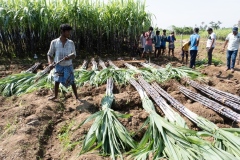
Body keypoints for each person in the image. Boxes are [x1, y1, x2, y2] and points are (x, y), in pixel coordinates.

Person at [47, 24, 81, 102]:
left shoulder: (71, 43)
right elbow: (49, 54)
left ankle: (77, 97)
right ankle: (55, 96)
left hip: (68, 66)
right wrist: (50, 64)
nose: (69, 33)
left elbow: (74, 55)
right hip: (58, 65)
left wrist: (69, 57)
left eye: (69, 31)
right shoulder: (54, 42)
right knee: (57, 81)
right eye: (68, 31)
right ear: (62, 32)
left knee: (72, 81)